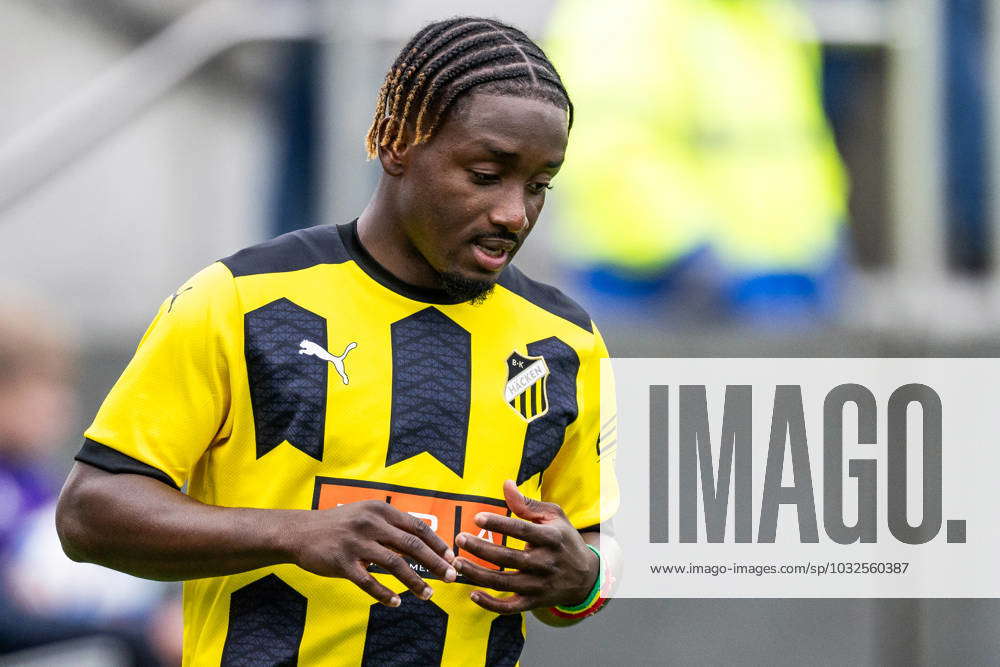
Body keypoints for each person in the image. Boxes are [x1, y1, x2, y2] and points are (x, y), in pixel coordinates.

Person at [56, 16, 619, 666]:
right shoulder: (240, 300)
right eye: (487, 174)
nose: (514, 212)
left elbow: (599, 545)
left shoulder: (567, 342)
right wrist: (290, 532)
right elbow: (90, 512)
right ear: (396, 142)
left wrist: (583, 576)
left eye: (539, 184)